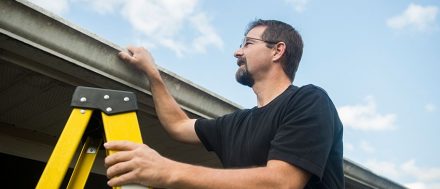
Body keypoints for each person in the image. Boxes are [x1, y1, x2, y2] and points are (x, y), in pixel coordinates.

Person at [104, 19, 344, 189]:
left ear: (277, 51)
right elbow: (178, 125)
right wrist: (152, 74)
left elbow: (282, 183)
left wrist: (167, 171)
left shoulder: (309, 101)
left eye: (248, 43)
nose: (237, 52)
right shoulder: (235, 124)